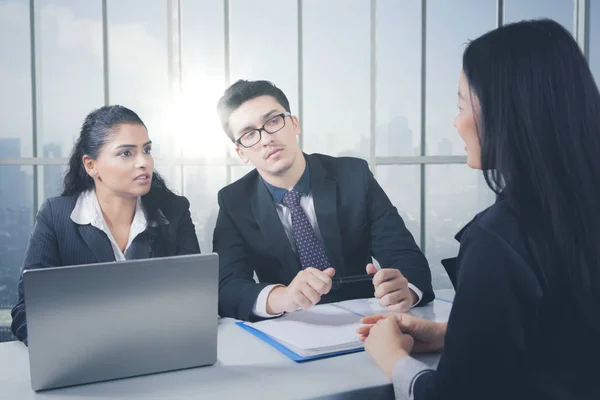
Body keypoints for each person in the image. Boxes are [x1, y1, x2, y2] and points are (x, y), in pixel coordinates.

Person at [358, 19, 600, 400]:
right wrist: (455, 334)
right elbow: (569, 340)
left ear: (505, 110)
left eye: (460, 104)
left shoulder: (499, 237)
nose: (455, 123)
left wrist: (393, 359)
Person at [213, 79, 433, 321]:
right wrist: (282, 297)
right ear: (241, 152)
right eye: (249, 134)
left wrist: (406, 291)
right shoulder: (234, 201)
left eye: (273, 121)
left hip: (366, 319)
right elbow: (226, 287)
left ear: (294, 123)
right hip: (291, 326)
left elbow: (406, 257)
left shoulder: (353, 176)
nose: (266, 139)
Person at [11, 105, 201, 344]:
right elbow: (26, 309)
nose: (144, 162)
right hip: (83, 353)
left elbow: (195, 297)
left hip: (159, 347)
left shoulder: (174, 211)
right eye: (126, 153)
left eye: (147, 149)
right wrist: (63, 346)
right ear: (91, 165)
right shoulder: (56, 216)